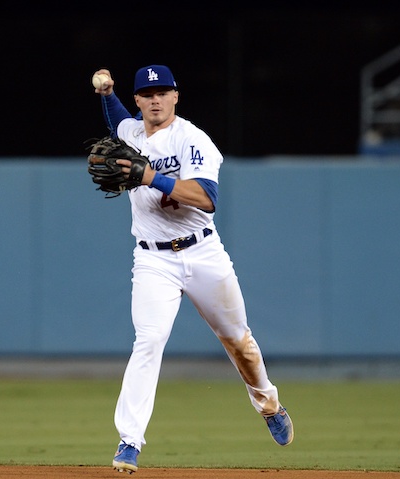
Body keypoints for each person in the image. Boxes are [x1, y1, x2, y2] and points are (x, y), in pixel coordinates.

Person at [91, 64, 294, 474]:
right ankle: (129, 441)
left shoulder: (192, 139)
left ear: (176, 96)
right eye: (147, 94)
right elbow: (120, 126)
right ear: (138, 100)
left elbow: (205, 198)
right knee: (149, 339)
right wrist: (106, 95)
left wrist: (149, 176)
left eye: (163, 92)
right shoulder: (131, 131)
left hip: (203, 255)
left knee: (240, 342)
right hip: (152, 259)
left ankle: (268, 402)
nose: (155, 99)